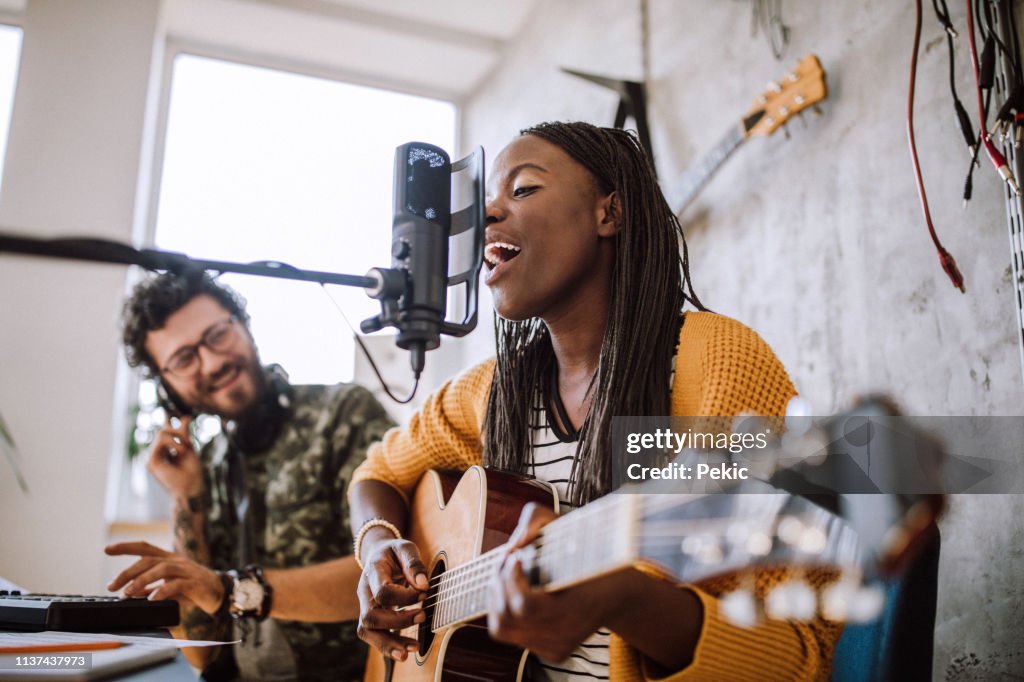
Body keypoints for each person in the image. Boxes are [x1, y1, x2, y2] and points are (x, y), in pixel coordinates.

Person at [349, 121, 840, 681]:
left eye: (523, 188)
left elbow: (798, 657)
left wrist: (623, 599)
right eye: (488, 200)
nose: (488, 214)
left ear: (609, 213)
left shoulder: (718, 363)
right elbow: (378, 473)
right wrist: (378, 546)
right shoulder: (491, 391)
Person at [106, 271, 394, 681]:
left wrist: (233, 590)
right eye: (184, 359)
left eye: (217, 335)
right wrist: (185, 498)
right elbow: (201, 653)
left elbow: (388, 573)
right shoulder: (205, 464)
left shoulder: (343, 414)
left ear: (243, 324)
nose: (212, 362)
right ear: (168, 389)